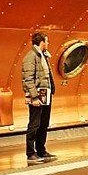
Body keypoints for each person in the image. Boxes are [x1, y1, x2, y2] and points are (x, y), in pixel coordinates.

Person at [22, 32, 57, 164]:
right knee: (34, 124)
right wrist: (34, 97)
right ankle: (30, 153)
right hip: (37, 95)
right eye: (47, 41)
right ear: (42, 42)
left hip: (45, 94)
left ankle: (41, 150)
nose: (48, 44)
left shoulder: (43, 56)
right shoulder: (31, 57)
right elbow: (28, 79)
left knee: (44, 123)